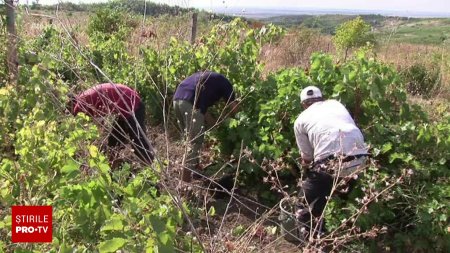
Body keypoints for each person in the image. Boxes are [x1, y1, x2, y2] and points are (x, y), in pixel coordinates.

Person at [293, 85, 368, 236]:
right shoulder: (336, 104)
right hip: (360, 158)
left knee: (304, 204)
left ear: (303, 105)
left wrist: (306, 176)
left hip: (330, 162)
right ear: (322, 98)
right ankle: (342, 227)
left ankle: (312, 239)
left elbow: (307, 158)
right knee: (336, 194)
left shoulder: (300, 120)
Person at [173, 71, 239, 182]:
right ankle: (184, 185)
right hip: (190, 103)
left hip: (177, 99)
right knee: (195, 143)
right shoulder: (227, 85)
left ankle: (193, 170)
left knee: (189, 139)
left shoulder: (211, 81)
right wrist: (240, 122)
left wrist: (214, 124)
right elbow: (234, 108)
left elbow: (203, 112)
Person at [69, 83, 154, 165]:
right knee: (114, 141)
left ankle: (151, 166)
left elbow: (79, 131)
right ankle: (111, 167)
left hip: (132, 105)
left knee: (137, 142)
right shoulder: (84, 98)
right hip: (126, 105)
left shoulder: (79, 107)